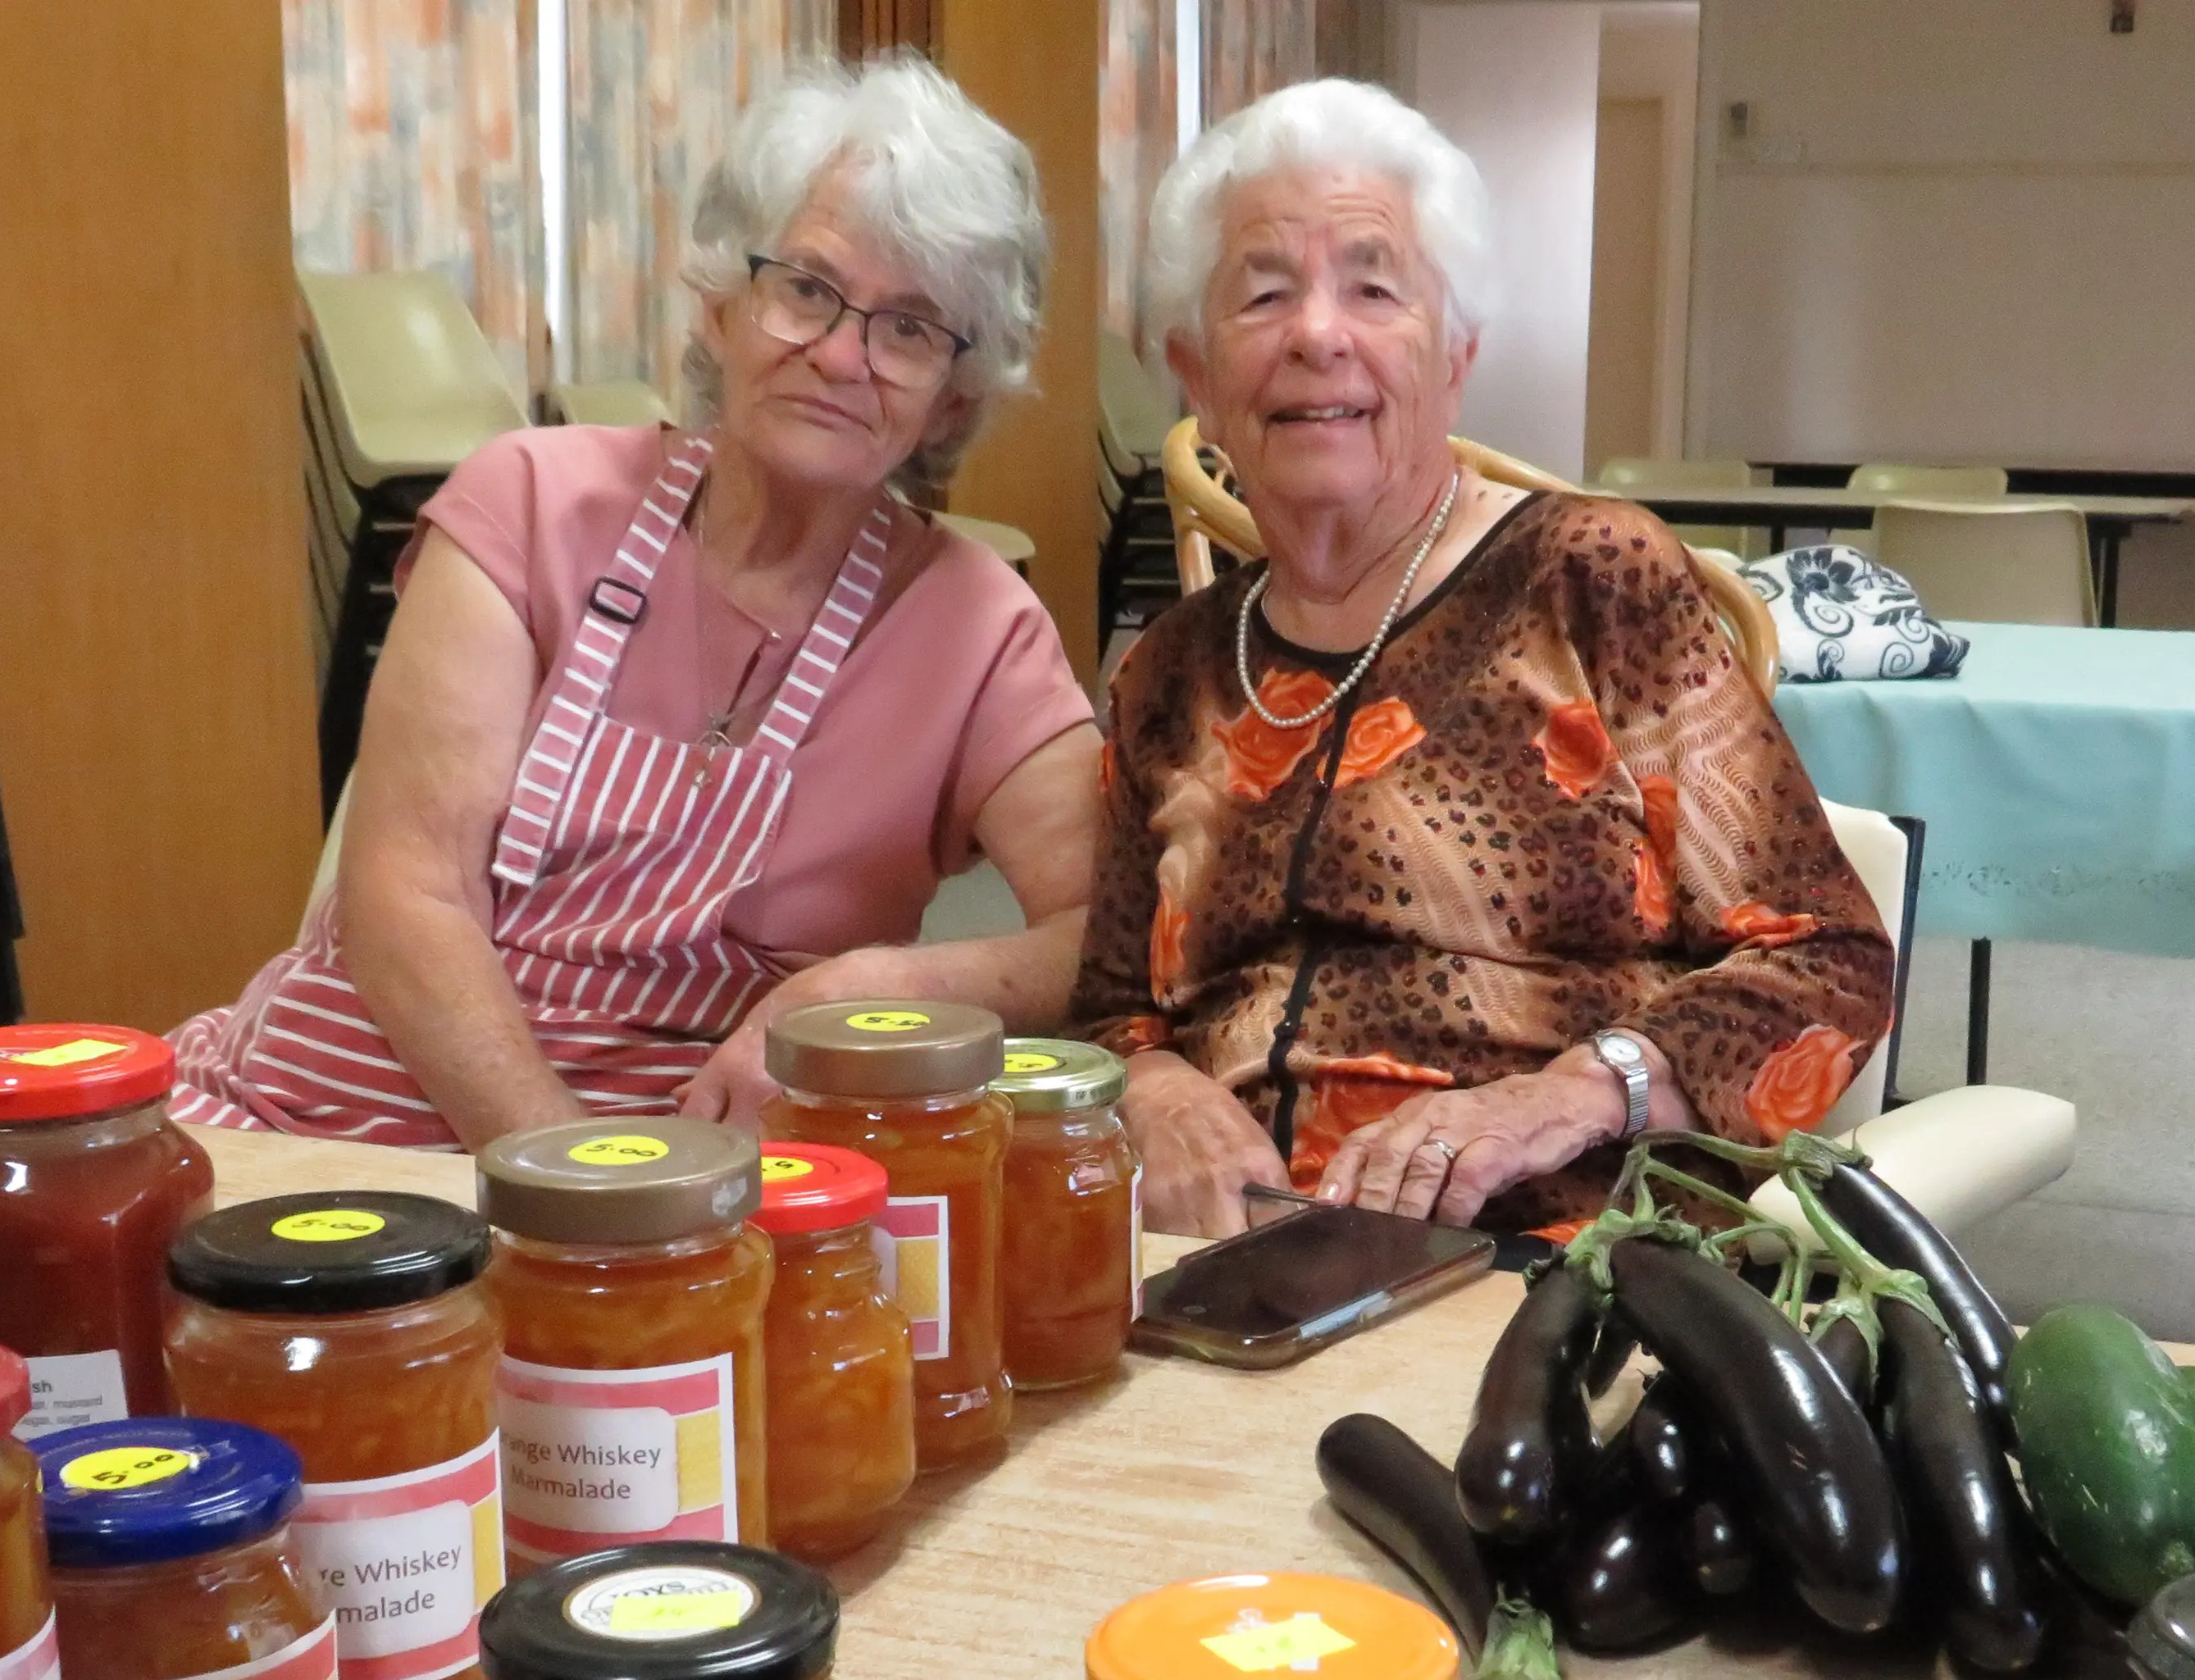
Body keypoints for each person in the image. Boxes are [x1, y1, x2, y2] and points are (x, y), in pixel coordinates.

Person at [172, 55, 1096, 1148]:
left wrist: (872, 985)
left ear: (954, 400)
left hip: (700, 1198)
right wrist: (579, 1179)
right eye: (806, 288)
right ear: (720, 306)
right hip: (310, 1116)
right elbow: (407, 895)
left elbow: (1117, 936)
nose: (844, 355)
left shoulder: (976, 632)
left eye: (911, 328)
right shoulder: (525, 504)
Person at [1072, 80, 1896, 1239]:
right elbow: (1108, 1008)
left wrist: (1563, 1094)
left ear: (1454, 355)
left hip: (1555, 1269)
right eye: (1264, 294)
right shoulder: (1170, 671)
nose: (1319, 332)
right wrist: (1154, 1091)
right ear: (1196, 374)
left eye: (1374, 286)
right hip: (1224, 1272)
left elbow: (1832, 961)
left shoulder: (1589, 582)